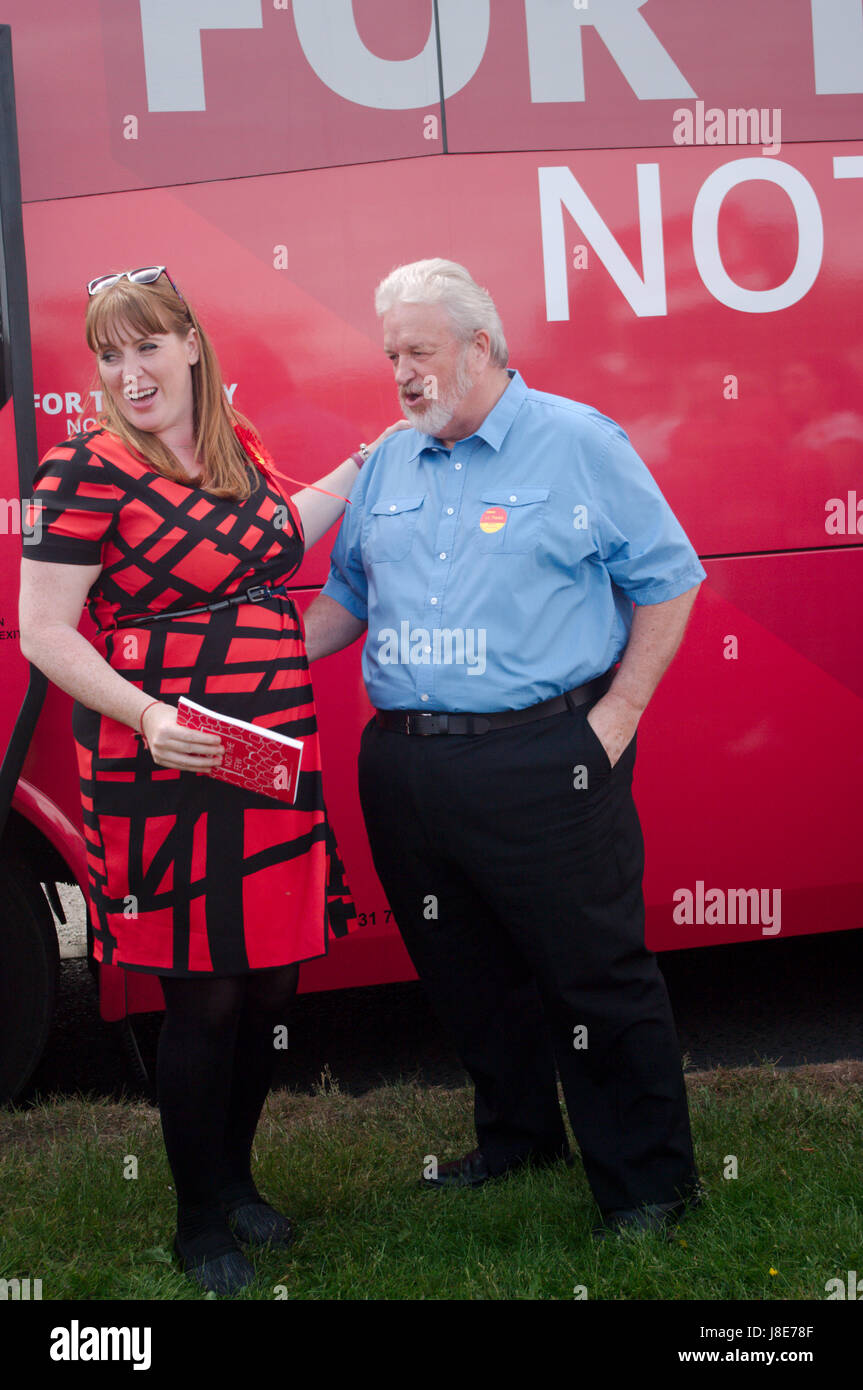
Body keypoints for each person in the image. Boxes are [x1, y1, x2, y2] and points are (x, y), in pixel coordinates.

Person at [302, 258, 708, 1239]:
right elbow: (348, 598)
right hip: (405, 769)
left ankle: (648, 1185)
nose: (400, 370)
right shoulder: (390, 461)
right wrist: (243, 665)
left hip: (544, 759)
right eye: (390, 352)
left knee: (593, 974)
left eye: (419, 350)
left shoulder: (574, 442)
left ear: (479, 347)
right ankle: (519, 1135)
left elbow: (670, 577)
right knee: (467, 973)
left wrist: (613, 720)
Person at [18, 266, 405, 1294]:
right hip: (169, 760)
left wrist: (366, 465)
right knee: (205, 993)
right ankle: (199, 1224)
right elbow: (44, 630)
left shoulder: (239, 453)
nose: (129, 371)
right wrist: (148, 716)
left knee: (271, 977)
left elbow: (286, 532)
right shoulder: (85, 467)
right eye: (109, 352)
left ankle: (235, 1180)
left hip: (270, 751)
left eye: (146, 345)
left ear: (192, 344)